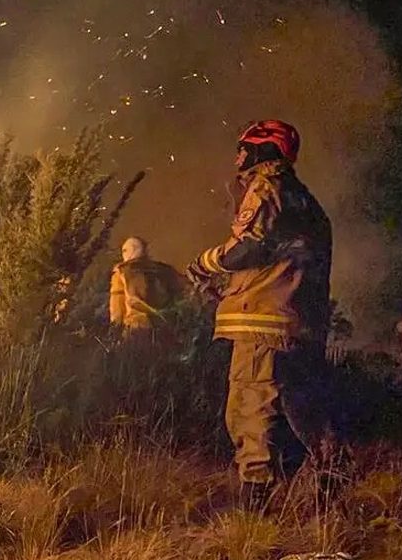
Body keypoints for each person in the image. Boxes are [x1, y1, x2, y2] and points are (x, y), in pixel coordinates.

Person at [186, 119, 333, 495]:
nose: (238, 155)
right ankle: (322, 488)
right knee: (296, 414)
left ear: (264, 149)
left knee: (250, 411)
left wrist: (206, 262)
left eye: (245, 147)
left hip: (263, 324)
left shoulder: (267, 187)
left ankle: (256, 506)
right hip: (297, 323)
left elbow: (249, 246)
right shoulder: (305, 200)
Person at [109, 236, 184, 339]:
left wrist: (115, 330)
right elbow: (180, 295)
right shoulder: (165, 270)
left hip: (136, 327)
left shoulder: (121, 273)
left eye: (124, 251)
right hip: (164, 327)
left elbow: (117, 308)